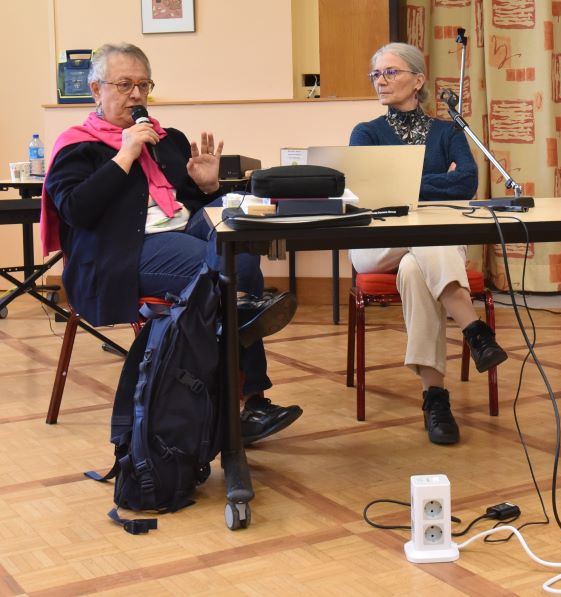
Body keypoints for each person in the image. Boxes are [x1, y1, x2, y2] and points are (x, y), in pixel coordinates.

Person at [41, 43, 302, 446]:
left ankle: (244, 384)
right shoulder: (78, 146)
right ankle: (245, 396)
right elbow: (77, 211)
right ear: (96, 90)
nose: (136, 95)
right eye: (124, 84)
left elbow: (185, 205)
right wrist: (124, 154)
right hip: (124, 251)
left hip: (182, 233)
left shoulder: (168, 140)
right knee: (224, 272)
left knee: (239, 248)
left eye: (144, 85)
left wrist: (208, 187)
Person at [348, 42, 507, 445]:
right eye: (376, 74)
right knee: (428, 238)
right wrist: (435, 185)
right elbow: (371, 191)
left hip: (428, 245)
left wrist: (403, 188)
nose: (381, 81)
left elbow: (467, 182)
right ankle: (474, 329)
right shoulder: (365, 133)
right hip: (376, 243)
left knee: (416, 269)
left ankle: (435, 398)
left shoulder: (448, 131)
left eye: (391, 72)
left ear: (418, 80)